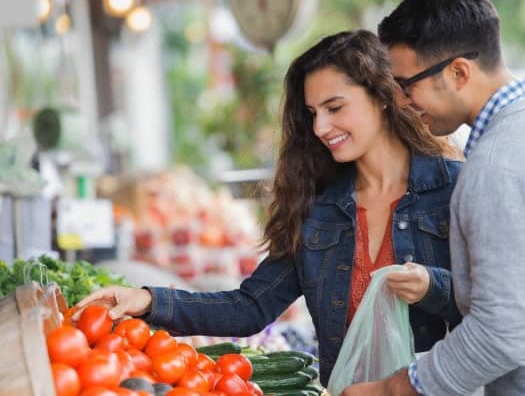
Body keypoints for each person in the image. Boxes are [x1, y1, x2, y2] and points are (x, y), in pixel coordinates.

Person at [74, 30, 463, 387]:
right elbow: (250, 307)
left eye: (335, 107)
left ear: (382, 97)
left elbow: (502, 308)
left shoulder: (455, 187)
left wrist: (435, 287)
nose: (320, 128)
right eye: (313, 114)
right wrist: (148, 299)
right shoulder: (318, 210)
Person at [342, 0, 525, 395]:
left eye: (407, 86)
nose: (402, 103)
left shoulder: (494, 166)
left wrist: (392, 388)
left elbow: (503, 329)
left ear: (458, 72)